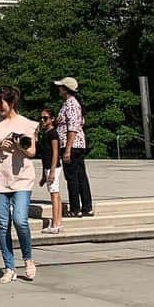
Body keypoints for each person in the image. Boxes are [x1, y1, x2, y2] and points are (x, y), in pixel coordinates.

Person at [0, 86, 39, 282]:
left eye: (1, 103)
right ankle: (9, 266)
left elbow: (32, 152)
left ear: (11, 103)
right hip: (0, 178)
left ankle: (28, 258)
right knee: (3, 224)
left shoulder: (27, 124)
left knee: (20, 219)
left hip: (22, 178)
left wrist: (19, 145)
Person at [54, 76, 92, 218]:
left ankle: (75, 207)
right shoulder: (71, 103)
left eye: (61, 87)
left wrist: (68, 149)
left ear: (66, 89)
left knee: (72, 177)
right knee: (80, 176)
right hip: (77, 144)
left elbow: (73, 127)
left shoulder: (71, 104)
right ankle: (87, 207)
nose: (59, 89)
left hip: (72, 145)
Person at [38, 108, 62, 233]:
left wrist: (52, 171)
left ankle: (55, 223)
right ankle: (58, 222)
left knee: (54, 194)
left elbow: (55, 152)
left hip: (53, 167)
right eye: (41, 118)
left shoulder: (53, 133)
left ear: (52, 119)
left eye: (45, 118)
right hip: (47, 166)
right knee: (56, 194)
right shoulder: (45, 133)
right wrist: (44, 175)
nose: (43, 120)